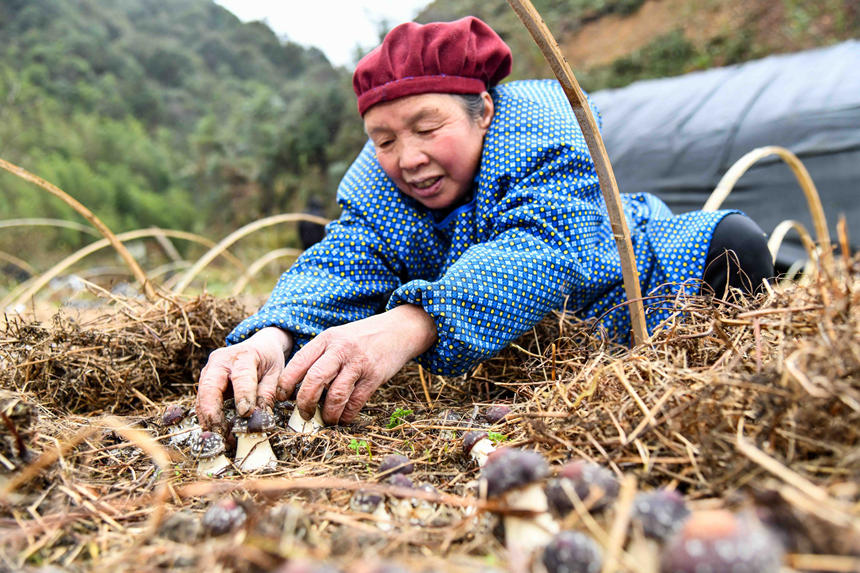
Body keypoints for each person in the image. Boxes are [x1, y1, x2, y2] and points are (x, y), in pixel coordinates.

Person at [195, 17, 773, 433]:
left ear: (484, 111)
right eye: (386, 140)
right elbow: (338, 262)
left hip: (614, 287)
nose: (409, 158)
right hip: (493, 346)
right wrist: (271, 334)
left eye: (427, 127)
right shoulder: (379, 193)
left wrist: (411, 323)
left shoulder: (542, 136)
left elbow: (550, 248)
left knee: (733, 245)